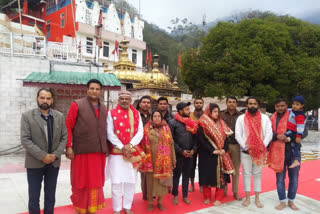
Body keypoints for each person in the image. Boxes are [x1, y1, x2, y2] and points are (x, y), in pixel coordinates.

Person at [21, 88, 67, 214]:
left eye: (48, 98)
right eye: (42, 98)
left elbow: (64, 137)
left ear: (52, 100)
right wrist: (42, 156)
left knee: (50, 196)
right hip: (34, 163)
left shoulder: (59, 116)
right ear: (37, 99)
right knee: (34, 197)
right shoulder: (27, 116)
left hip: (53, 163)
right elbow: (25, 139)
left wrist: (55, 155)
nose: (45, 100)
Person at [65, 79, 109, 214]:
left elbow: (105, 128)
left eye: (97, 89)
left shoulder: (104, 107)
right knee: (80, 181)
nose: (94, 91)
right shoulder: (76, 105)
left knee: (96, 182)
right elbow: (68, 126)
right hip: (81, 151)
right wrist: (68, 146)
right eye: (92, 88)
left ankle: (92, 208)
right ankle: (81, 209)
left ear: (100, 91)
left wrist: (107, 147)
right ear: (87, 90)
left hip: (98, 151)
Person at [106, 90, 145, 214]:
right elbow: (109, 132)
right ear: (118, 100)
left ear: (130, 101)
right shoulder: (111, 114)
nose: (124, 101)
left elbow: (140, 132)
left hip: (132, 153)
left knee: (130, 181)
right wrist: (122, 146)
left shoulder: (136, 114)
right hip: (116, 154)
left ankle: (127, 207)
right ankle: (117, 209)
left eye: (126, 99)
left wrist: (130, 145)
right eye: (122, 98)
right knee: (116, 182)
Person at [235, 96, 272, 208]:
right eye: (250, 104)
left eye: (254, 104)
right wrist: (245, 147)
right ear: (247, 105)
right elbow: (237, 134)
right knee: (246, 174)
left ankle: (257, 198)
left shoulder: (265, 118)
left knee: (257, 174)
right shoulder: (241, 118)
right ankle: (247, 198)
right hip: (246, 151)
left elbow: (269, 133)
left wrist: (262, 146)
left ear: (258, 105)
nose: (252, 106)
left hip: (259, 152)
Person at [197, 103, 234, 206]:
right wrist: (212, 150)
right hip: (207, 154)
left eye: (218, 112)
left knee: (220, 177)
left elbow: (226, 139)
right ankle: (207, 196)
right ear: (209, 112)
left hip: (221, 154)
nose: (217, 114)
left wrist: (223, 149)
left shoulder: (222, 123)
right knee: (206, 176)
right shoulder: (203, 123)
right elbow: (201, 140)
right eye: (214, 112)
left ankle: (218, 197)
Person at [267, 98, 301, 211]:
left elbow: (303, 132)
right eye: (277, 106)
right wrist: (277, 136)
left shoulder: (294, 115)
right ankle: (282, 201)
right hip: (277, 152)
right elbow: (268, 133)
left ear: (286, 105)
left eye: (282, 106)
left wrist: (289, 138)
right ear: (275, 107)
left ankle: (291, 200)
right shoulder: (271, 118)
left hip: (292, 152)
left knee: (294, 178)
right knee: (280, 179)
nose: (280, 108)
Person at [139, 111, 176, 211]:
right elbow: (142, 145)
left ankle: (160, 202)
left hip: (165, 162)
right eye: (154, 116)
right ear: (151, 118)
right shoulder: (146, 129)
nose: (156, 118)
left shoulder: (166, 128)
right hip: (151, 162)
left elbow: (171, 144)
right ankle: (150, 202)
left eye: (158, 116)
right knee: (150, 183)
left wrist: (173, 159)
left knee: (162, 183)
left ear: (161, 117)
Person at [168, 102, 198, 205]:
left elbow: (195, 138)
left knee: (186, 176)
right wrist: (181, 151)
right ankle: (175, 195)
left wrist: (193, 149)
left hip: (190, 155)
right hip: (178, 154)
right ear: (180, 111)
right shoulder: (172, 123)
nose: (189, 111)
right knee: (176, 175)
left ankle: (185, 196)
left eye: (188, 109)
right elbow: (171, 140)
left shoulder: (192, 122)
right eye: (187, 110)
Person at [220, 96, 242, 200]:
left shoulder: (241, 116)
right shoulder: (221, 114)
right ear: (226, 103)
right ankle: (223, 190)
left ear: (236, 104)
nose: (231, 104)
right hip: (223, 146)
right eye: (229, 102)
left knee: (235, 170)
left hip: (236, 145)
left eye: (234, 102)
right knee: (223, 169)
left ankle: (235, 192)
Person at [136, 95, 152, 201]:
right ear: (140, 104)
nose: (146, 104)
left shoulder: (153, 116)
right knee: (143, 173)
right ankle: (145, 195)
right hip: (138, 148)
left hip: (152, 147)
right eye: (144, 102)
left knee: (152, 172)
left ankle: (152, 193)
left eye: (148, 102)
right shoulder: (135, 115)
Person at [285, 95, 306, 168]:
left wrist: (298, 136)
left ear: (302, 105)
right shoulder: (291, 110)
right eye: (293, 104)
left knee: (295, 145)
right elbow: (285, 109)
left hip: (293, 131)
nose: (294, 106)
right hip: (289, 129)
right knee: (293, 144)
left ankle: (296, 160)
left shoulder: (300, 115)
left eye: (297, 104)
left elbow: (300, 127)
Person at [189, 97, 204, 192]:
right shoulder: (190, 115)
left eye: (200, 103)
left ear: (203, 104)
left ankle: (202, 185)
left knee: (202, 165)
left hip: (203, 143)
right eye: (197, 103)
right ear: (194, 104)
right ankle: (192, 185)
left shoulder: (206, 116)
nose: (198, 104)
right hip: (192, 142)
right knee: (192, 165)